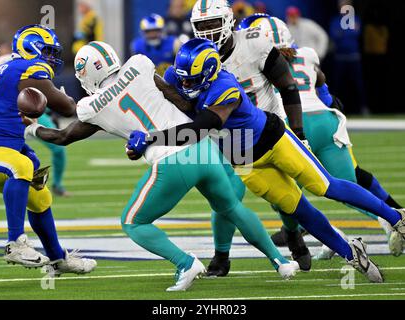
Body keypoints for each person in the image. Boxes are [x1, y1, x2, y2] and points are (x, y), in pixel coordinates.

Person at [25, 41, 300, 291]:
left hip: (170, 159)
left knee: (133, 222)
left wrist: (31, 128)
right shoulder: (139, 65)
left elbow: (62, 137)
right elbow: (178, 99)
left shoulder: (91, 106)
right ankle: (281, 261)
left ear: (86, 73)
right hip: (201, 146)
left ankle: (185, 263)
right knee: (232, 207)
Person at [134, 38, 405, 283]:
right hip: (243, 160)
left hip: (273, 140)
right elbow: (179, 98)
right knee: (299, 209)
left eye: (191, 81)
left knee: (325, 187)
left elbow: (200, 127)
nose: (184, 85)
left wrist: (151, 138)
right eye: (182, 79)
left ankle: (397, 217)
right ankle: (351, 253)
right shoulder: (181, 76)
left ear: (209, 74)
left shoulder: (225, 87)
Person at [238, 14, 404, 257]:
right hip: (327, 121)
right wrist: (329, 100)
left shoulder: (253, 63)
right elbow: (323, 90)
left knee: (287, 197)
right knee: (344, 186)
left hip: (289, 123)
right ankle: (392, 217)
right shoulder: (308, 54)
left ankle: (325, 235)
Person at [190, 0, 310, 273]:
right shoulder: (195, 54)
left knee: (289, 194)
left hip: (268, 127)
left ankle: (292, 233)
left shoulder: (254, 42)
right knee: (226, 196)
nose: (207, 32)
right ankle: (222, 257)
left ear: (229, 21)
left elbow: (288, 86)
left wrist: (299, 133)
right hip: (231, 137)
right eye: (201, 26)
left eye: (212, 24)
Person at [0, 24, 96, 274]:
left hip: (1, 148)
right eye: (48, 51)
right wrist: (68, 97)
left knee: (40, 197)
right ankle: (16, 243)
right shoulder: (28, 68)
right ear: (31, 48)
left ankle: (57, 259)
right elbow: (67, 107)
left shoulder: (8, 68)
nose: (52, 58)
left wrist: (22, 146)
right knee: (22, 166)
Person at [0, 44, 69, 197]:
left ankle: (56, 184)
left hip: (28, 110)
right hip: (6, 113)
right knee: (23, 157)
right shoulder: (6, 66)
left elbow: (33, 95)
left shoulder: (22, 65)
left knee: (47, 153)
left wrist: (48, 110)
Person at [329, 0, 368, 115]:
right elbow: (334, 35)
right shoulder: (335, 20)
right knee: (337, 85)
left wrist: (343, 32)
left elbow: (356, 33)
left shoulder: (355, 19)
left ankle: (363, 107)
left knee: (358, 85)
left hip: (353, 57)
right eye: (341, 6)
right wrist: (347, 31)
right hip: (340, 57)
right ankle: (334, 108)